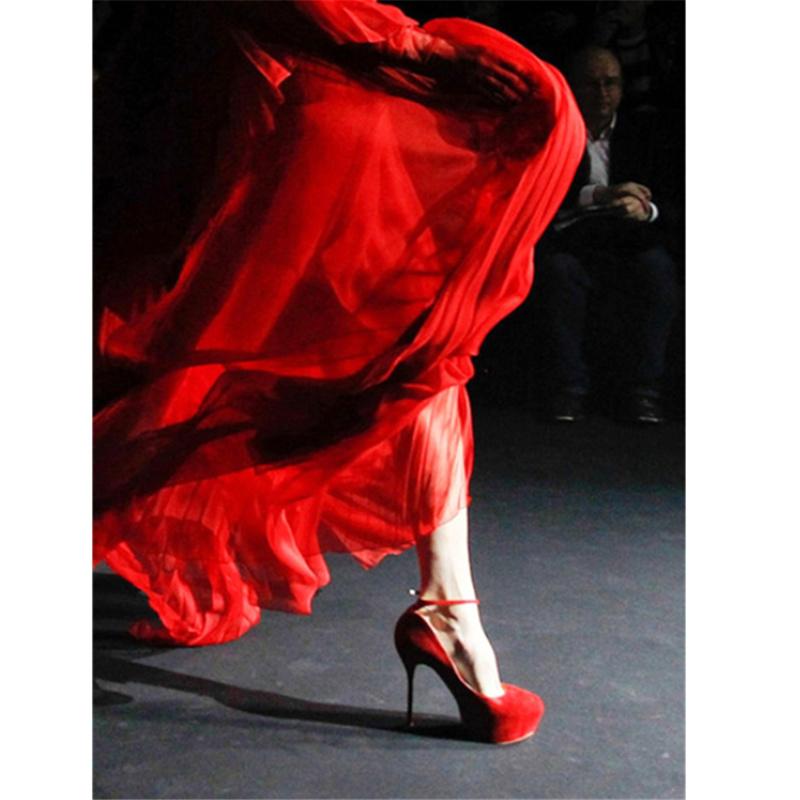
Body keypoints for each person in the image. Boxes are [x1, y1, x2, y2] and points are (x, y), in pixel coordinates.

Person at [93, 0, 584, 744]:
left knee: (414, 350)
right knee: (390, 347)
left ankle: (450, 609)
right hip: (281, 98)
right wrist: (420, 54)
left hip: (300, 93)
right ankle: (449, 615)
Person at [533, 45, 681, 423]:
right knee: (558, 272)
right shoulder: (555, 130)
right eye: (592, 84)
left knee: (659, 272)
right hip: (573, 236)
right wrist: (603, 194)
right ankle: (570, 389)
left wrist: (646, 210)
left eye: (610, 83)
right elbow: (547, 190)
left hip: (630, 236)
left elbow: (672, 195)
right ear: (573, 87)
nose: (602, 93)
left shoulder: (644, 132)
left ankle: (644, 391)